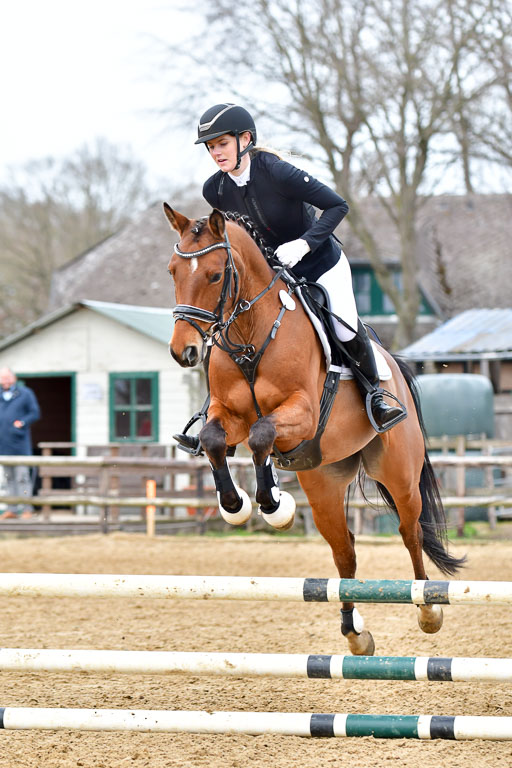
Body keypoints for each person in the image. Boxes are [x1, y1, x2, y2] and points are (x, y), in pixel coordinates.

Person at [174, 103, 405, 452]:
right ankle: (213, 413)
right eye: (211, 146)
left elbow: (338, 205)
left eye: (222, 143)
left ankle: (376, 395)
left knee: (342, 326)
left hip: (319, 263)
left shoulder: (278, 172)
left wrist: (305, 243)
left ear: (245, 139)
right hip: (272, 274)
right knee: (227, 327)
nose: (216, 152)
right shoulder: (215, 190)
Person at [0, 367, 41, 519]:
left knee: (22, 478)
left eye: (7, 378)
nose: (5, 381)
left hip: (19, 446)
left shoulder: (25, 393)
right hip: (3, 446)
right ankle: (11, 509)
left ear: (14, 378)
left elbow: (35, 413)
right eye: (2, 378)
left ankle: (27, 509)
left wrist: (22, 423)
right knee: (8, 480)